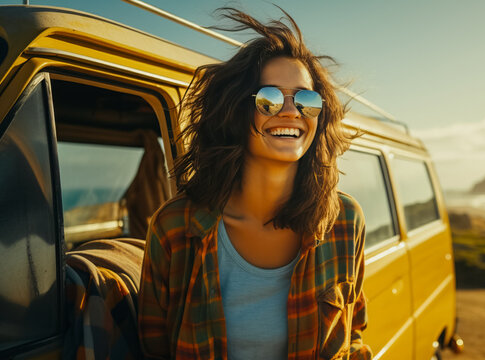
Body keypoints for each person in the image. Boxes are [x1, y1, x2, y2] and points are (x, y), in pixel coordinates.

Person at [137, 7, 372, 360]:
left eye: (306, 100)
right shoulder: (175, 227)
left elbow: (352, 335)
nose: (291, 111)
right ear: (235, 111)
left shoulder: (345, 221)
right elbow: (152, 348)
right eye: (270, 98)